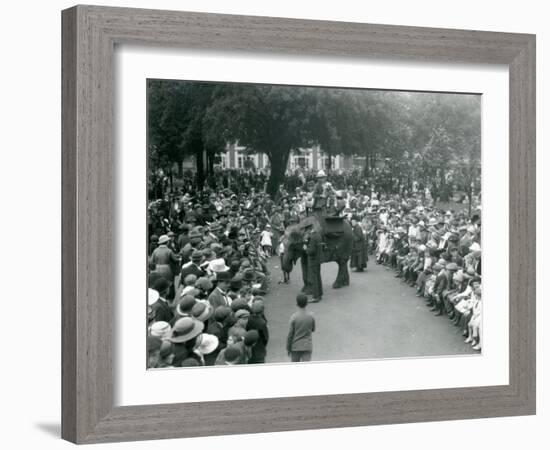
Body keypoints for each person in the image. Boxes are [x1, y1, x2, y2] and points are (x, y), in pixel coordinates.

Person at [286, 293, 315, 362]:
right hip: (307, 346)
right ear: (307, 303)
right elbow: (313, 329)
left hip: (295, 346)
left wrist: (288, 347)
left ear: (297, 303)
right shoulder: (311, 316)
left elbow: (290, 334)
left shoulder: (294, 317)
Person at [305, 224, 323, 302]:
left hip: (313, 260)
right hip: (318, 259)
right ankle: (319, 293)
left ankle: (316, 296)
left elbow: (311, 251)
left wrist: (306, 249)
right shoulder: (318, 235)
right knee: (318, 276)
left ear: (310, 230)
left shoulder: (312, 237)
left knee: (314, 278)